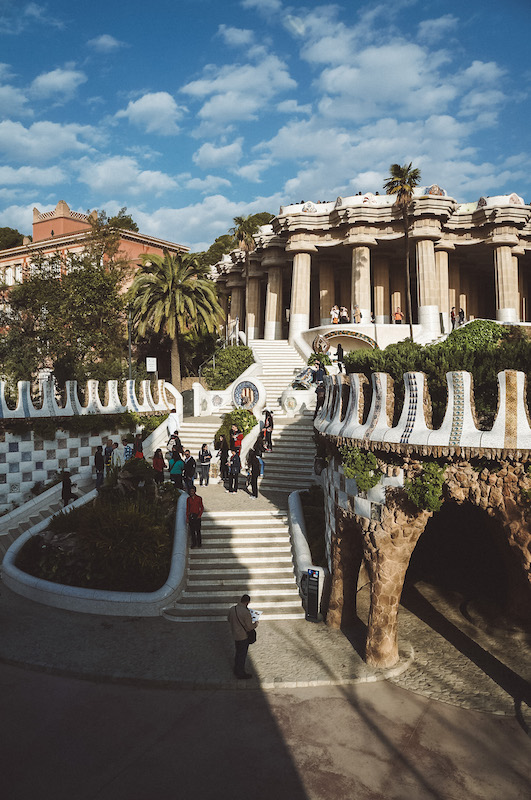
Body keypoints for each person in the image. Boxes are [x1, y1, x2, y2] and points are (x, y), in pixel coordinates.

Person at [227, 594, 258, 679]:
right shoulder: (245, 612)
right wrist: (255, 624)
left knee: (238, 653)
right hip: (243, 636)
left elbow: (229, 619)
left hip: (235, 635)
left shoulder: (232, 609)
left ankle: (236, 669)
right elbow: (249, 627)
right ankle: (240, 672)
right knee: (242, 654)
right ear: (247, 602)